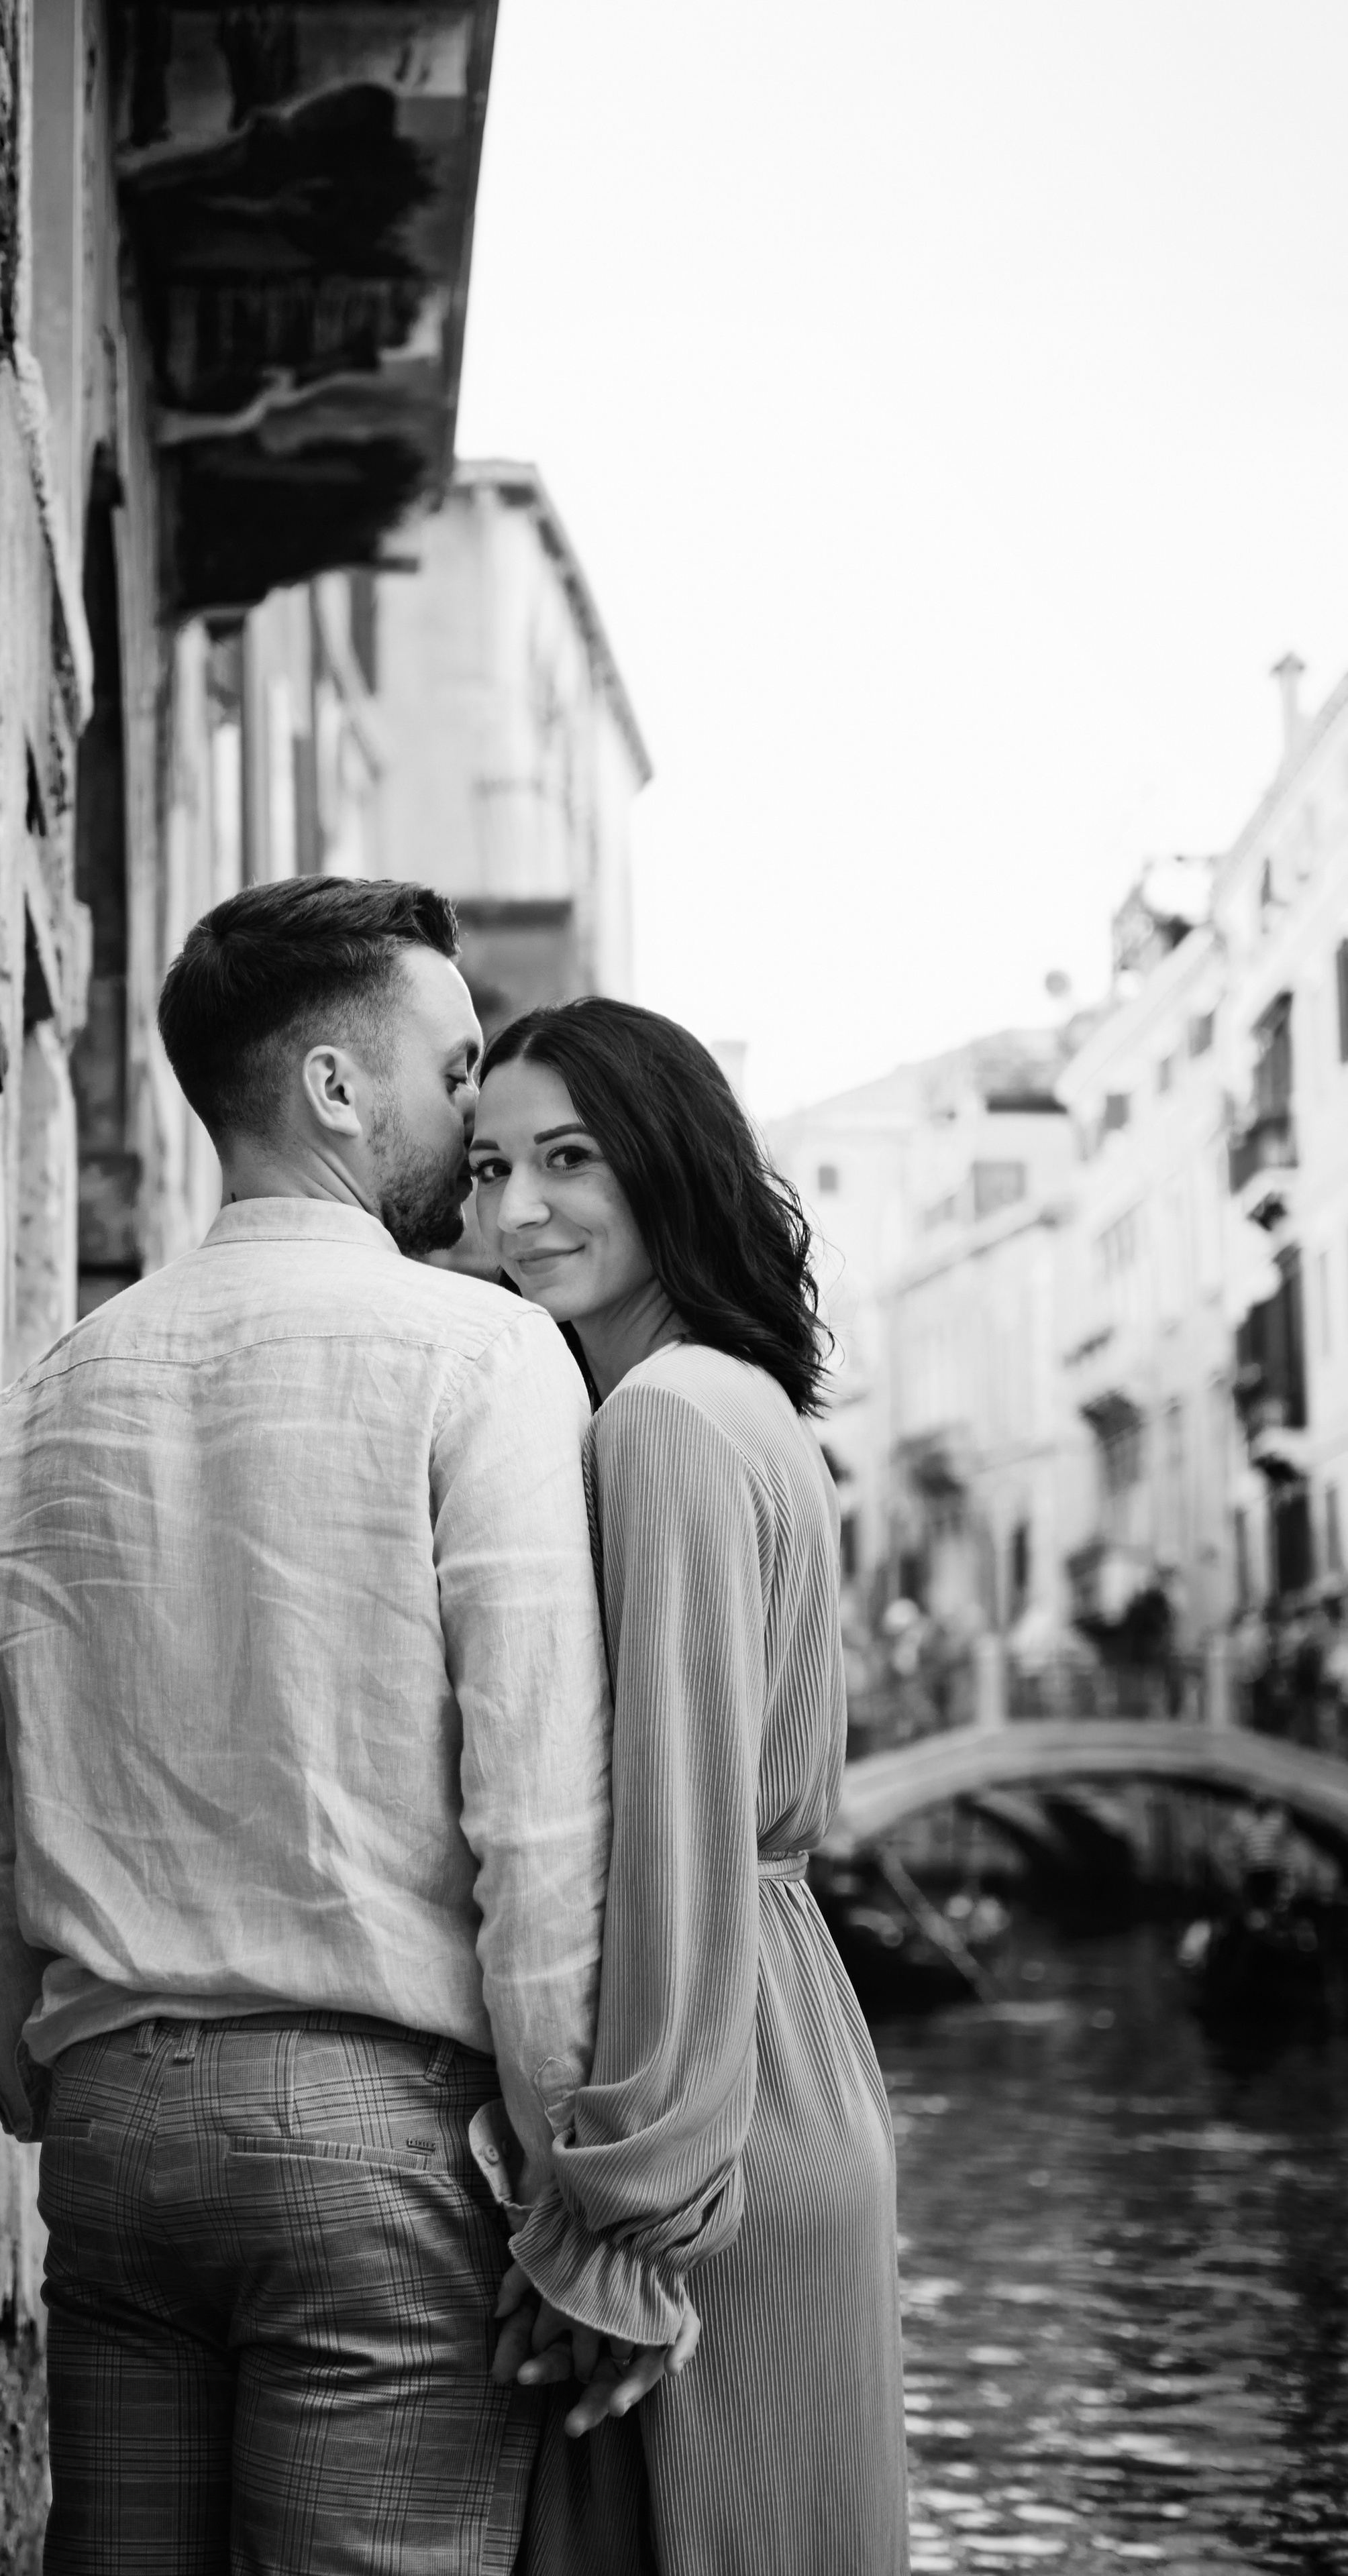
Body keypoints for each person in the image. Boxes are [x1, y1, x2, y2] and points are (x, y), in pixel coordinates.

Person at [0, 878, 637, 2575]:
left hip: (110, 2135)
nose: (480, 1112)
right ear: (332, 1086)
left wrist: (46, 2084)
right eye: (454, 1069)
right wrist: (570, 2181)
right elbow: (537, 1813)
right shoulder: (485, 1355)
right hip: (376, 2144)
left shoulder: (44, 1390)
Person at [471, 997, 909, 2576]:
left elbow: (673, 1834)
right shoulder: (740, 1402)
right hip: (789, 2065)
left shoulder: (655, 1423)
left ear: (666, 1164)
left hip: (706, 2131)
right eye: (487, 1166)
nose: (517, 1211)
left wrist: (621, 2216)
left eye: (568, 1158)